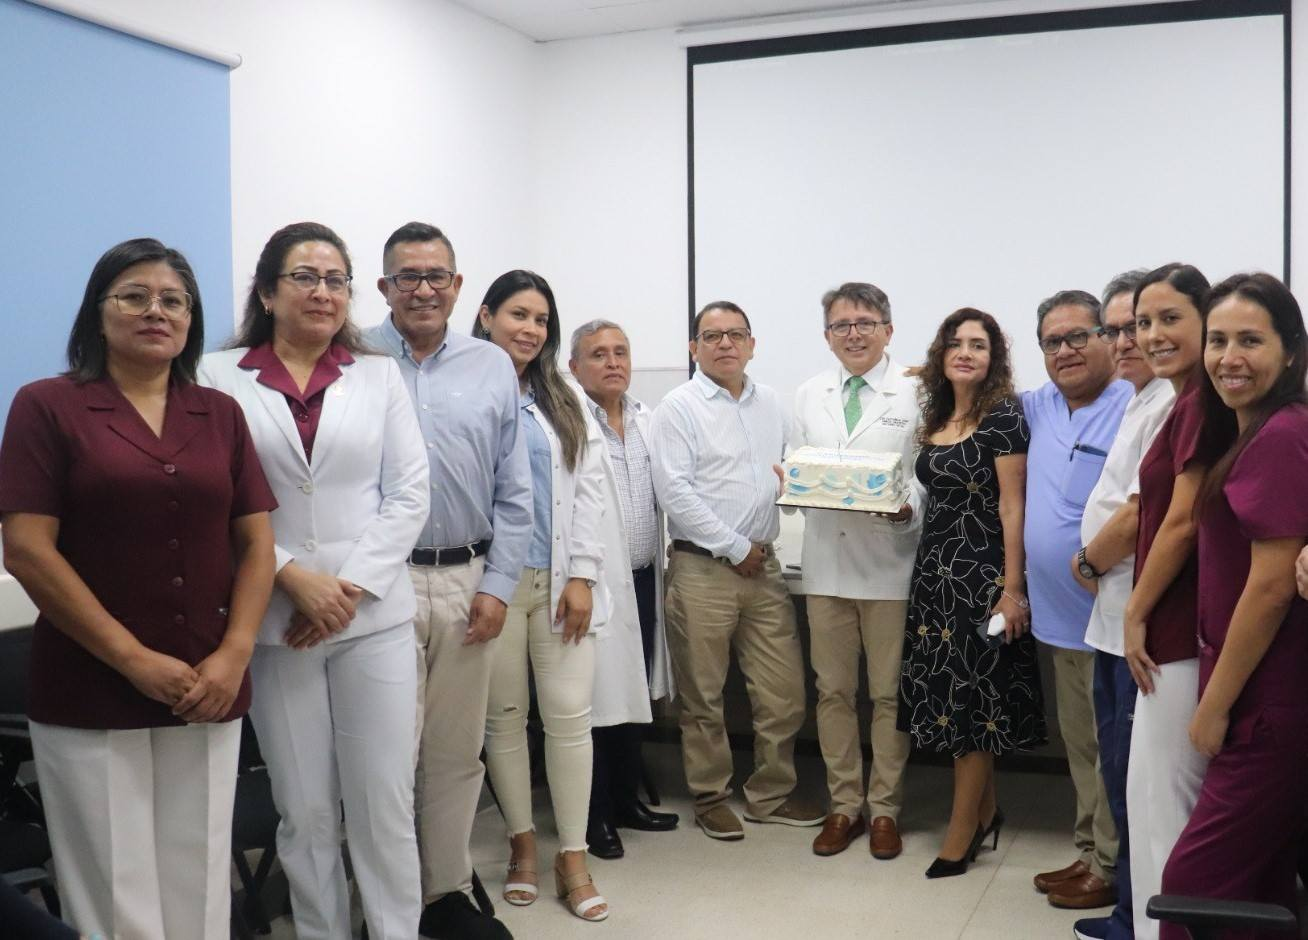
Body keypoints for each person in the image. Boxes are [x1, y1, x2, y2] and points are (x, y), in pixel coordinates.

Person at [0, 238, 276, 939]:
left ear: (190, 320)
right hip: (91, 683)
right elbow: (27, 550)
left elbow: (256, 546)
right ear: (98, 312)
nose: (157, 310)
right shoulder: (48, 406)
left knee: (201, 882)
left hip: (208, 681)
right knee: (114, 897)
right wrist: (132, 659)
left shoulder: (219, 414)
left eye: (174, 300)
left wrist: (235, 653)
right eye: (134, 296)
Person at [199, 222, 430, 940]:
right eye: (305, 277)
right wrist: (292, 576)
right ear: (268, 293)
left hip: (373, 619)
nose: (323, 292)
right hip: (274, 621)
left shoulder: (378, 376)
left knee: (383, 802)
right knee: (304, 810)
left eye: (336, 280)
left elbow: (410, 493)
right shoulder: (215, 375)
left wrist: (347, 588)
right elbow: (212, 498)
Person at [366, 222, 529, 940]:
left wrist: (497, 585)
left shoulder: (491, 365)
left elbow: (514, 489)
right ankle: (386, 901)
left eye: (437, 276)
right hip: (383, 582)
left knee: (457, 752)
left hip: (467, 579)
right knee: (386, 754)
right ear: (384, 287)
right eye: (408, 276)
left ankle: (447, 893)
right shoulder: (355, 357)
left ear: (459, 286)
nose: (424, 289)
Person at [1159, 273, 1308, 938]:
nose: (1228, 357)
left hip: (1266, 706)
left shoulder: (1280, 435)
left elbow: (1271, 587)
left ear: (1291, 351)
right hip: (1264, 699)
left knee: (1190, 888)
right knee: (1260, 888)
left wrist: (1214, 707)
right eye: (1218, 340)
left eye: (1251, 340)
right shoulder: (1252, 433)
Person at [475, 270, 610, 923]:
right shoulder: (463, 389)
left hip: (557, 584)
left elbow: (589, 490)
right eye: (518, 315)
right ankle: (522, 845)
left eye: (540, 319)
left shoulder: (564, 395)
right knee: (502, 719)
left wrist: (582, 574)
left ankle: (573, 857)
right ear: (486, 316)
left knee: (569, 718)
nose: (530, 329)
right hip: (491, 586)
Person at [899, 308, 1045, 879]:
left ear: (994, 358)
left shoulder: (1003, 416)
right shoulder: (937, 416)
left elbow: (1013, 507)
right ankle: (985, 814)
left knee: (973, 709)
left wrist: (1013, 590)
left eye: (978, 345)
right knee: (954, 700)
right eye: (955, 343)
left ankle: (960, 835)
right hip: (935, 576)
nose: (965, 352)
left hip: (982, 580)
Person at [789, 283, 921, 859]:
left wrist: (907, 508)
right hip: (825, 567)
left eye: (866, 323)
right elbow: (800, 467)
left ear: (888, 330)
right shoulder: (809, 393)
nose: (854, 334)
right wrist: (792, 483)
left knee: (889, 695)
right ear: (827, 336)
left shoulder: (918, 391)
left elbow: (925, 473)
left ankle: (885, 808)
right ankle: (844, 804)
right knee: (833, 693)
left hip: (890, 566)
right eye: (841, 325)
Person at [1067, 270, 1174, 940]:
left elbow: (1140, 512)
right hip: (1111, 621)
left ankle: (1138, 921)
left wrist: (1086, 562)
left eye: (1139, 325)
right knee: (1121, 776)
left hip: (1139, 621)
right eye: (1115, 329)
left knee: (1137, 785)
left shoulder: (1168, 402)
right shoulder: (1138, 398)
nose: (1128, 339)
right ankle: (1129, 913)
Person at [1022, 290, 1131, 910]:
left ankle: (1110, 865)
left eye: (1078, 336)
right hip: (1059, 620)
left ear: (1106, 339)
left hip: (1109, 621)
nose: (1064, 351)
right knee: (1081, 747)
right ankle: (1090, 850)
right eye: (1051, 342)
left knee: (1110, 752)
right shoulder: (1038, 405)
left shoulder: (1133, 402)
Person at [1120, 263, 1211, 940]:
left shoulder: (1203, 403)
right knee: (1150, 800)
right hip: (1168, 626)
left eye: (1169, 319)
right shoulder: (1180, 403)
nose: (1152, 335)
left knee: (1166, 808)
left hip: (1178, 631)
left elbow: (1181, 523)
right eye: (1143, 322)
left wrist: (1135, 611)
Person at [568, 319, 679, 860]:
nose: (613, 363)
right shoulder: (569, 422)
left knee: (633, 693)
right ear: (574, 367)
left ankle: (626, 801)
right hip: (592, 584)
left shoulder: (646, 419)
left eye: (621, 352)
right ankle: (593, 817)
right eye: (598, 354)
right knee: (592, 702)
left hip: (642, 577)